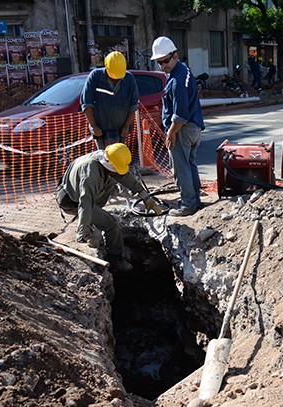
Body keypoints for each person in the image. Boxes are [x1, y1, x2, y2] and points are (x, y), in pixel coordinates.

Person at [58, 143, 162, 273]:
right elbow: (85, 202)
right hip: (71, 201)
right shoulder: (90, 174)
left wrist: (144, 196)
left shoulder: (109, 158)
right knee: (111, 224)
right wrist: (82, 231)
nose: (118, 172)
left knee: (112, 181)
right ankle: (115, 258)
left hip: (84, 196)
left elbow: (124, 176)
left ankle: (95, 228)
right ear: (108, 164)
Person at [150, 36, 204, 217]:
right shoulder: (184, 71)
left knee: (181, 168)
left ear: (175, 55)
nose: (162, 66)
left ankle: (188, 204)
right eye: (159, 62)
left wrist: (171, 133)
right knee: (190, 164)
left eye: (165, 61)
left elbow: (180, 115)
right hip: (193, 127)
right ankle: (194, 199)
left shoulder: (176, 80)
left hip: (182, 129)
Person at [80, 51, 139, 150]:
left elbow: (133, 105)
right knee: (104, 157)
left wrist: (126, 126)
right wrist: (93, 126)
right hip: (100, 131)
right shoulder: (95, 77)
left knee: (119, 155)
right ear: (106, 67)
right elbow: (87, 104)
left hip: (121, 130)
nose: (115, 79)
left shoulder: (129, 79)